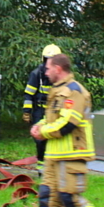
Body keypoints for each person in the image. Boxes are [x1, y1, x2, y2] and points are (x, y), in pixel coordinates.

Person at [24, 53, 104, 207]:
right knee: (48, 199)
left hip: (72, 154)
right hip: (54, 155)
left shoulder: (74, 91)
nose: (45, 72)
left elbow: (69, 123)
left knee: (69, 198)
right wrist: (39, 126)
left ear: (58, 69)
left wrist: (43, 132)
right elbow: (52, 118)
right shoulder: (57, 91)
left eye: (48, 68)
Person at [22, 44, 62, 173]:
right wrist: (27, 112)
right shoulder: (36, 74)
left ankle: (53, 164)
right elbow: (29, 94)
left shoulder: (62, 76)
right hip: (40, 111)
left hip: (56, 111)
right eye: (47, 60)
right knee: (40, 138)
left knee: (55, 136)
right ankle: (41, 165)